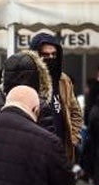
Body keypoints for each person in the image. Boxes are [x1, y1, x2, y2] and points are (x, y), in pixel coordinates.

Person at [28, 33, 84, 164]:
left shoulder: (63, 80)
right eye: (45, 55)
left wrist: (73, 138)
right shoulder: (28, 78)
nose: (50, 58)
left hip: (60, 149)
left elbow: (75, 112)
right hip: (34, 148)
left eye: (54, 54)